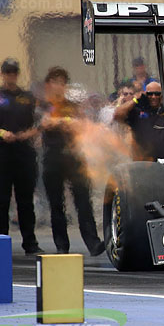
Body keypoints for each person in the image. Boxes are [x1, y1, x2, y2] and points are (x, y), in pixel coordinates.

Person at [0, 58, 42, 254]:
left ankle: (30, 242)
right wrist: (0, 133)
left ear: (17, 74)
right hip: (2, 153)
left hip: (24, 153)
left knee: (25, 201)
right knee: (1, 200)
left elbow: (39, 124)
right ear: (2, 74)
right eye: (7, 72)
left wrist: (26, 135)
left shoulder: (28, 97)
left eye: (14, 72)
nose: (11, 76)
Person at [39, 67, 104, 256]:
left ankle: (93, 242)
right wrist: (64, 122)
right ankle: (61, 245)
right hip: (53, 157)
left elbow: (83, 124)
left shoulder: (72, 105)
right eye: (56, 82)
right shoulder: (44, 105)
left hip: (74, 157)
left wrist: (70, 122)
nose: (59, 86)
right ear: (49, 84)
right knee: (56, 204)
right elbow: (45, 123)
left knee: (83, 201)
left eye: (62, 82)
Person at [113, 81, 164, 161]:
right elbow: (117, 115)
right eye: (150, 94)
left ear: (161, 95)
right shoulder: (138, 109)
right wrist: (136, 100)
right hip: (143, 159)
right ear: (145, 94)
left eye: (157, 94)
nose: (153, 97)